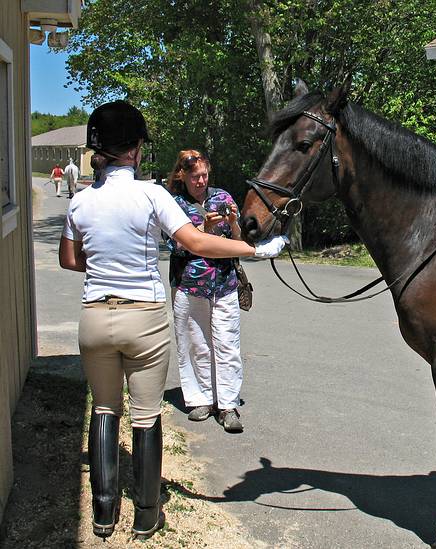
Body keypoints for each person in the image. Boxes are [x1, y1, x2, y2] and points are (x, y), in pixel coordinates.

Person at [58, 100, 288, 541]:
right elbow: (197, 242)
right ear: (136, 149)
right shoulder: (152, 194)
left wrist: (108, 257)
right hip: (142, 317)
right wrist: (255, 250)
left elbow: (71, 259)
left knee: (104, 408)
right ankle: (147, 514)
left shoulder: (81, 200)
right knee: (145, 416)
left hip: (94, 315)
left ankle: (104, 515)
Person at [165, 150, 249, 433]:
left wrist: (234, 222)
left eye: (204, 175)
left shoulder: (223, 197)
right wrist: (203, 227)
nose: (201, 180)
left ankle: (227, 404)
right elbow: (175, 246)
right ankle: (201, 398)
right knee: (195, 344)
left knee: (227, 344)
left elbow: (239, 240)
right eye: (194, 176)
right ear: (182, 176)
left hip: (224, 283)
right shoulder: (174, 204)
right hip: (189, 284)